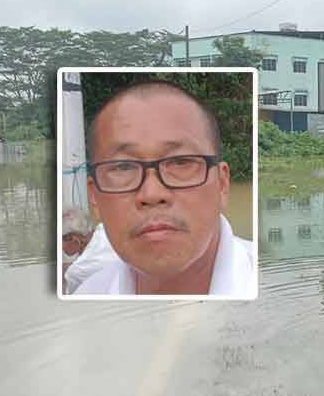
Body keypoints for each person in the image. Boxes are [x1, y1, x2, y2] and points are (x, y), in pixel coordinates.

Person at [73, 79, 255, 297]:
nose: (152, 194)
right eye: (122, 167)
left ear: (222, 184)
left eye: (180, 162)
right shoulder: (86, 296)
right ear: (94, 197)